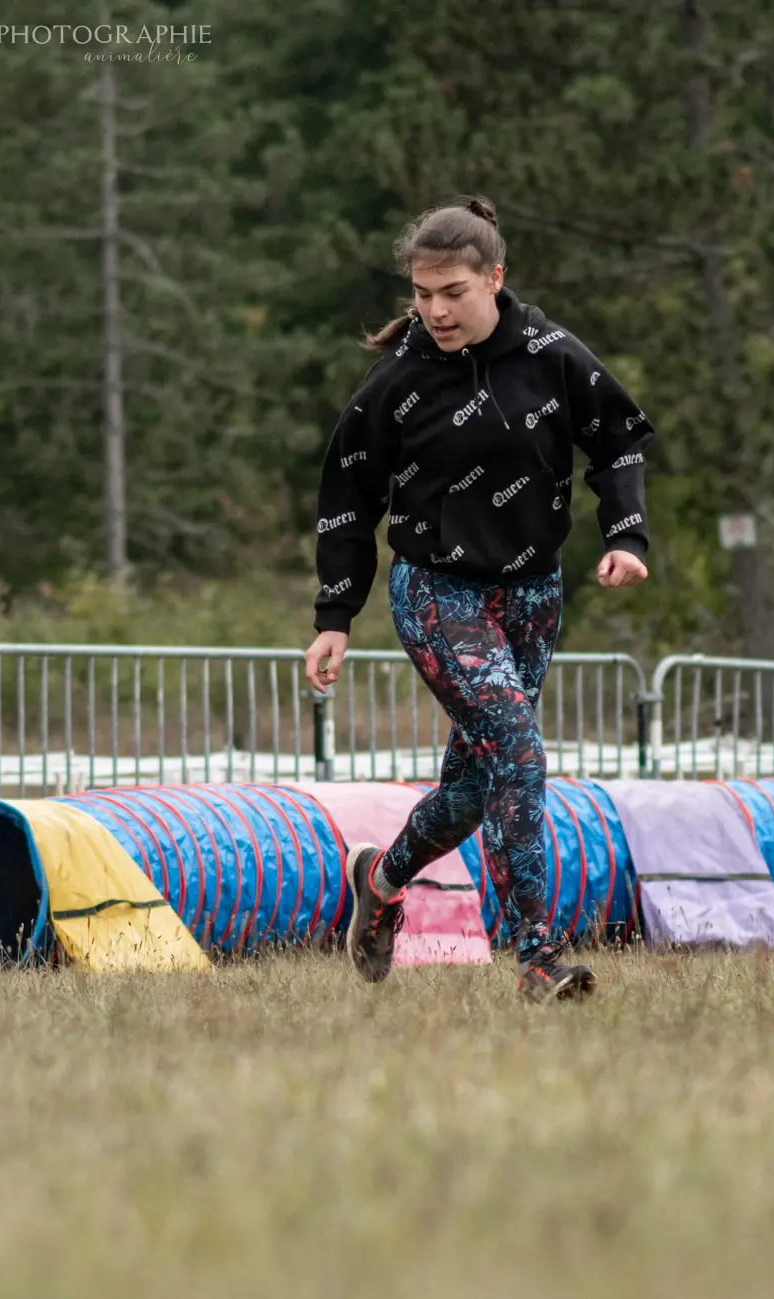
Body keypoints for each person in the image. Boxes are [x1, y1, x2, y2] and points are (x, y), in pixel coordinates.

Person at [303, 196, 652, 1002]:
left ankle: (381, 881)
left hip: (531, 594)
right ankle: (537, 956)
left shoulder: (552, 354)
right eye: (421, 295)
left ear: (495, 276)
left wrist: (626, 536)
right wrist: (334, 616)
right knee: (520, 753)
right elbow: (348, 496)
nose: (434, 311)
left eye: (452, 291)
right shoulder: (397, 381)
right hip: (437, 592)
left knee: (477, 784)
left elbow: (619, 436)